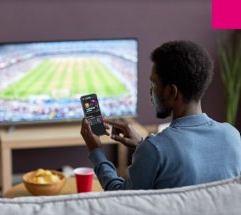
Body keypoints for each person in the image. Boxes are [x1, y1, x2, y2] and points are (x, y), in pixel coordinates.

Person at [80, 40, 241, 190]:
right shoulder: (232, 136)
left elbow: (120, 197)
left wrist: (96, 151)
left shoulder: (154, 150)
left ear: (172, 91)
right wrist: (141, 145)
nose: (150, 91)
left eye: (154, 83)